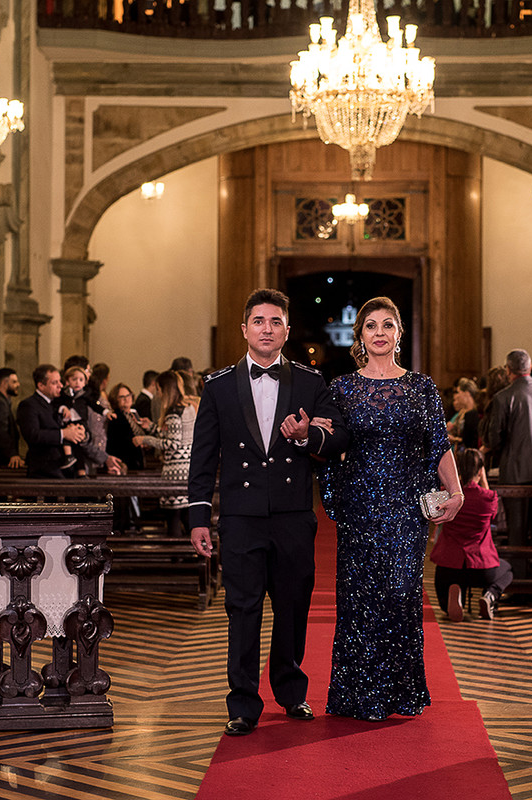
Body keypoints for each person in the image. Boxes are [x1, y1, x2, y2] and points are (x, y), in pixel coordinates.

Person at [187, 288, 348, 737]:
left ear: (287, 330)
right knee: (242, 608)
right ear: (245, 329)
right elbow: (204, 456)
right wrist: (198, 516)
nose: (267, 329)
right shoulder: (217, 385)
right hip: (240, 515)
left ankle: (291, 692)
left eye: (275, 321)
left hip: (294, 514)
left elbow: (336, 441)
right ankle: (242, 703)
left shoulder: (311, 382)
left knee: (293, 605)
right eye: (259, 321)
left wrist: (303, 437)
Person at [321, 295, 463, 722]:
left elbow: (438, 444)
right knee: (359, 597)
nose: (379, 333)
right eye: (370, 326)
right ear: (359, 336)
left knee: (400, 596)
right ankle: (357, 696)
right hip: (361, 507)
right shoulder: (342, 388)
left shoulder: (421, 387)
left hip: (405, 509)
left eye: (387, 325)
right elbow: (330, 447)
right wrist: (331, 487)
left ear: (399, 334)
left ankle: (400, 693)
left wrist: (455, 491)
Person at [429, 448, 513, 622]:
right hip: (481, 567)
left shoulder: (448, 496)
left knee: (446, 606)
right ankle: (489, 595)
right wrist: (484, 480)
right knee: (507, 570)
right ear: (481, 470)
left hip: (448, 566)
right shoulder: (488, 497)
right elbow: (493, 515)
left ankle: (455, 592)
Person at [483, 349, 532, 547]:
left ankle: (519, 575)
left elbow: (494, 438)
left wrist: (501, 451)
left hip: (515, 473)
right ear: (530, 368)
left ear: (508, 370)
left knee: (518, 531)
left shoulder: (503, 397)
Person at [135, 371, 196, 536]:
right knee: (185, 515)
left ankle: (178, 557)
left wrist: (145, 439)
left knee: (174, 516)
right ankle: (197, 555)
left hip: (176, 471)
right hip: (188, 468)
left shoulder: (173, 412)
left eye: (159, 389)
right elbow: (176, 436)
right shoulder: (187, 408)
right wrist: (152, 427)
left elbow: (172, 444)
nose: (158, 393)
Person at [17, 364, 87, 478]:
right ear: (41, 385)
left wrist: (78, 432)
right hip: (45, 471)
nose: (60, 385)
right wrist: (64, 434)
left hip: (65, 469)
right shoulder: (29, 405)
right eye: (54, 383)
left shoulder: (56, 403)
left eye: (60, 381)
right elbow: (32, 435)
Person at [106, 381, 145, 470]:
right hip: (125, 462)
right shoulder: (116, 417)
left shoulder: (134, 414)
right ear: (115, 399)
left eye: (128, 395)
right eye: (122, 397)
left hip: (137, 460)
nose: (126, 399)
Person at [446, 377, 480, 450]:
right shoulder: (462, 411)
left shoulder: (474, 413)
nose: (457, 396)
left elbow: (471, 439)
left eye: (458, 392)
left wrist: (454, 439)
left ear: (467, 393)